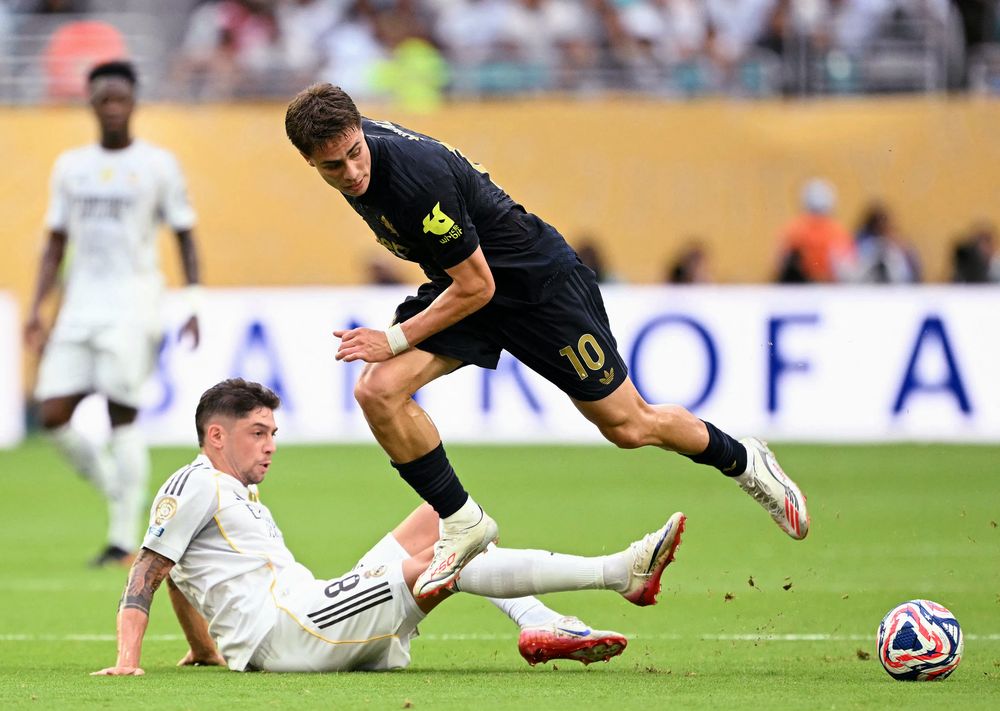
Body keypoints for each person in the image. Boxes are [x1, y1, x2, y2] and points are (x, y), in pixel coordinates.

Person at [283, 83, 809, 599]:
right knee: (378, 391)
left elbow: (478, 286)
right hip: (467, 283)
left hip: (537, 287)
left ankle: (744, 460)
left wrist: (394, 338)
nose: (351, 172)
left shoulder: (412, 182)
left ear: (361, 131)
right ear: (309, 162)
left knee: (629, 426)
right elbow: (468, 282)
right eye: (333, 166)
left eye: (355, 153)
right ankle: (463, 522)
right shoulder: (349, 148)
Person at [91, 378, 686, 675]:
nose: (272, 446)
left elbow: (179, 574)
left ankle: (542, 622)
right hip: (295, 631)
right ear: (216, 436)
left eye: (274, 432)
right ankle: (620, 574)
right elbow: (148, 570)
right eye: (259, 433)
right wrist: (127, 660)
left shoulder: (228, 492)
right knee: (445, 561)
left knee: (447, 518)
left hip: (309, 610)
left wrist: (206, 651)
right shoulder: (195, 482)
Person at [24, 60, 203, 567]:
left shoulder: (158, 165)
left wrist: (193, 302)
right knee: (53, 414)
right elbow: (55, 241)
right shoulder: (70, 166)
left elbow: (185, 233)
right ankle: (121, 495)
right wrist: (39, 306)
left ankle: (124, 539)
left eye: (121, 98)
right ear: (92, 104)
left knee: (120, 411)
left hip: (133, 301)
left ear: (134, 102)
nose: (113, 108)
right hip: (80, 302)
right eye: (104, 99)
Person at [775, 177, 855, 283]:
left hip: (805, 286)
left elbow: (781, 262)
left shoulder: (795, 229)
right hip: (826, 286)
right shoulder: (836, 231)